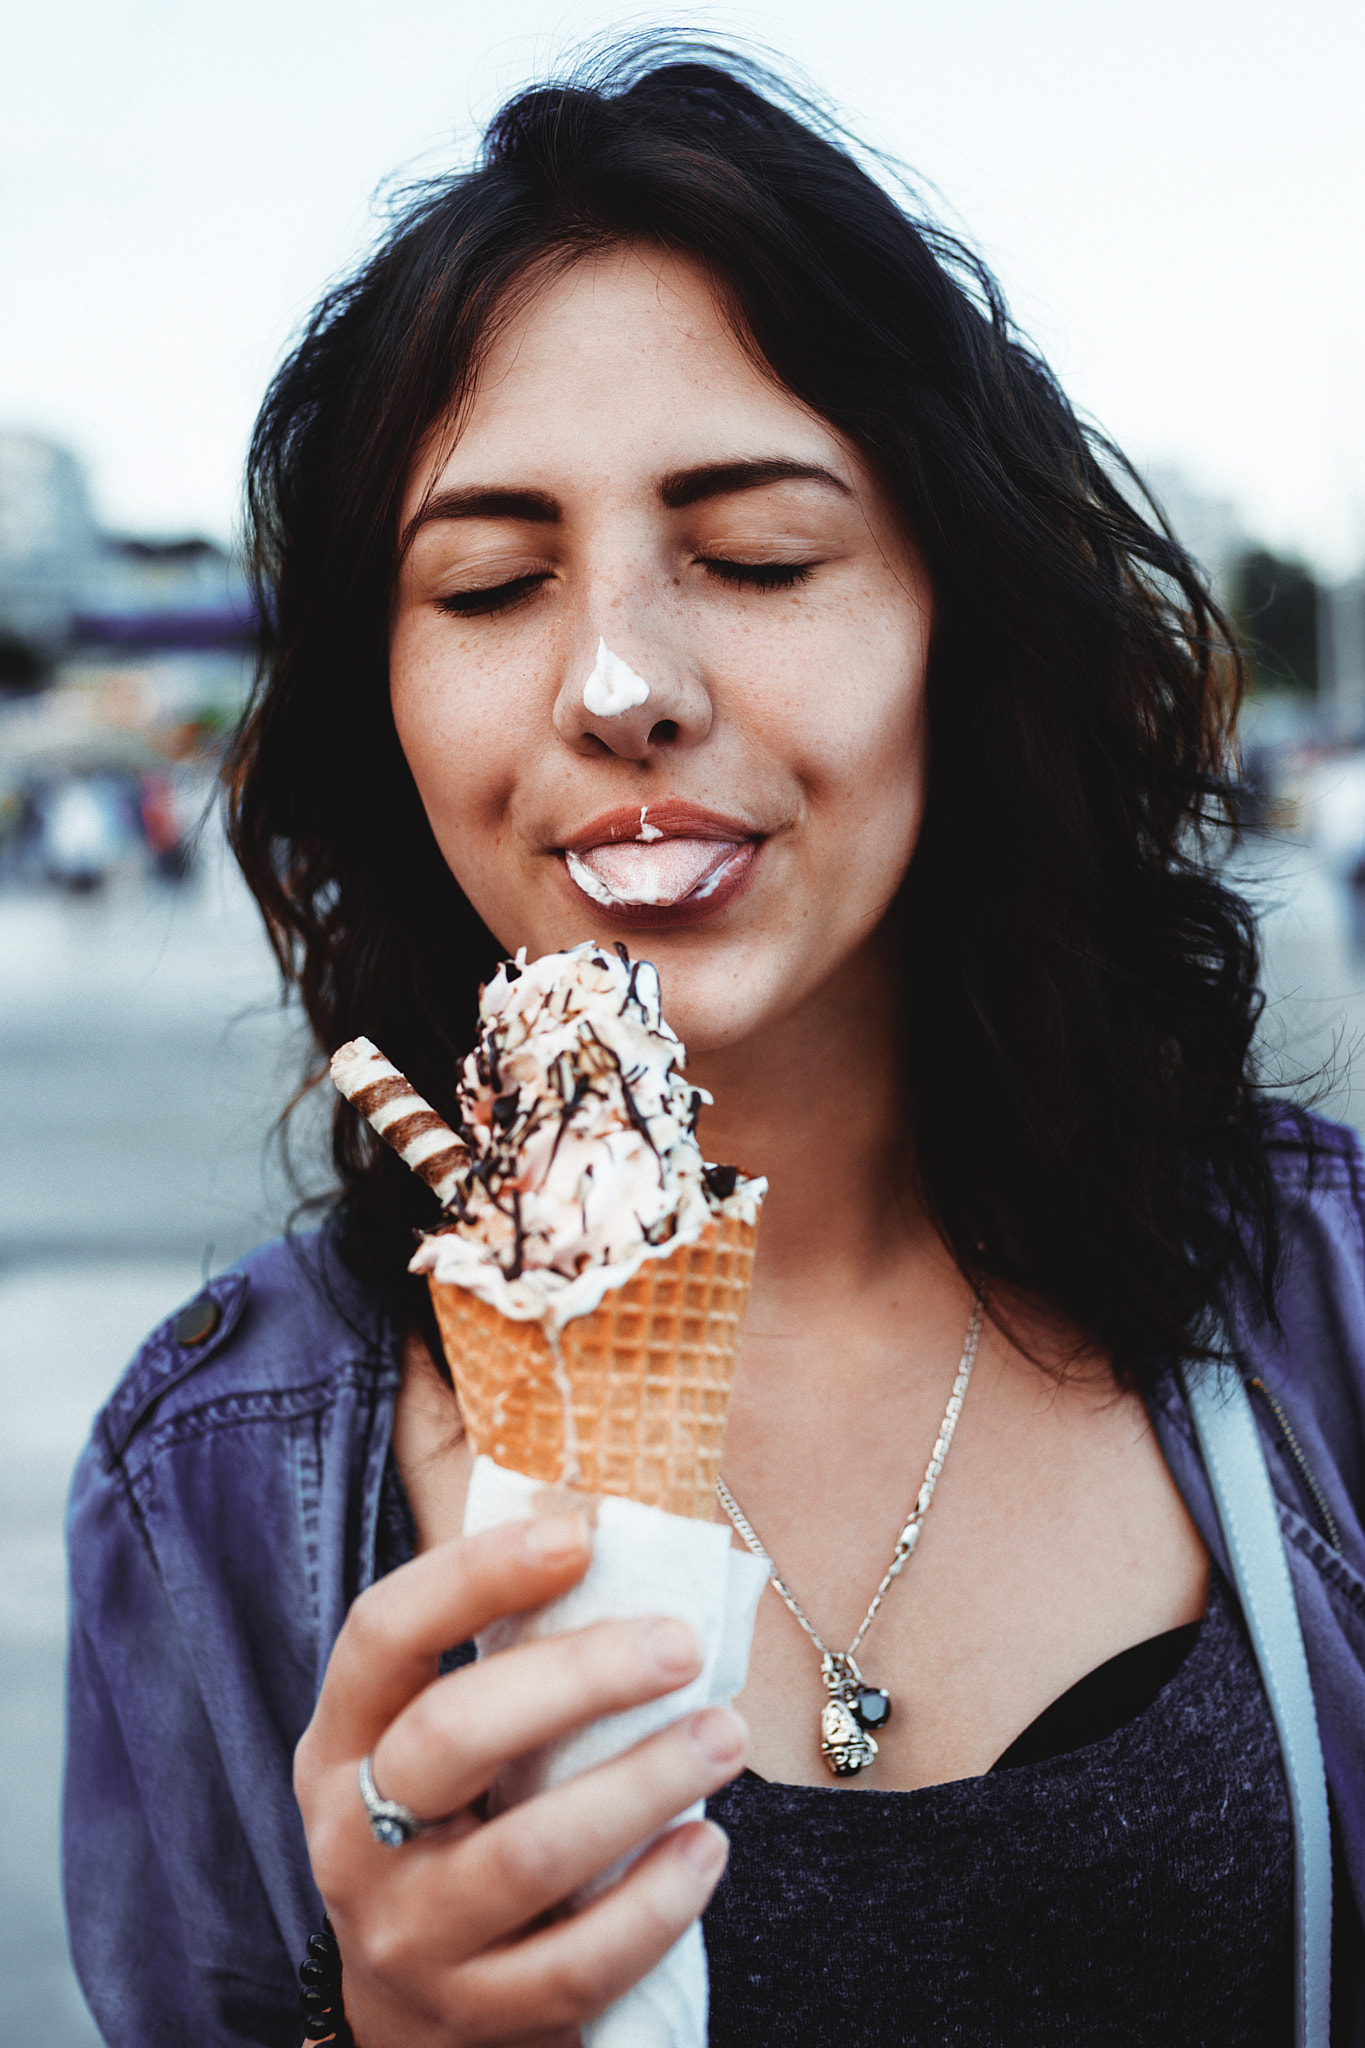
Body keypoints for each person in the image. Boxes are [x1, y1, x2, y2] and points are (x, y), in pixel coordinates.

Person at [64, 45, 1365, 2047]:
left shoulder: (1328, 1309)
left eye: (755, 555)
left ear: (959, 616)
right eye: (491, 584)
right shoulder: (219, 1485)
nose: (616, 683)